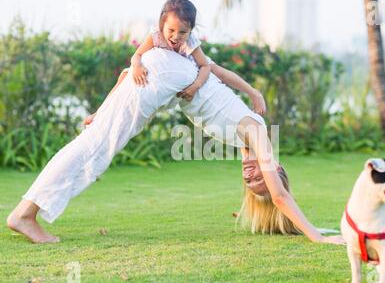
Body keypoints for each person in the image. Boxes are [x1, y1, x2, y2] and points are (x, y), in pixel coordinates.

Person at [6, 47, 344, 245]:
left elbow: (212, 71)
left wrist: (253, 91)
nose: (249, 173)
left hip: (167, 71)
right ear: (277, 170)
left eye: (248, 181)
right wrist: (318, 236)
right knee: (95, 149)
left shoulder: (247, 145)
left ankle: (27, 212)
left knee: (96, 140)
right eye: (262, 177)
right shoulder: (259, 136)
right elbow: (282, 197)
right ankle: (24, 215)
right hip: (167, 76)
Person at [84, 0, 265, 128]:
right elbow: (136, 55)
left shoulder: (191, 42)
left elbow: (204, 66)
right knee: (124, 75)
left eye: (183, 32)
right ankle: (99, 113)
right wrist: (137, 66)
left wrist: (195, 86)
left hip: (189, 67)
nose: (176, 36)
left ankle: (253, 93)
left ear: (190, 31)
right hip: (165, 71)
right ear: (162, 24)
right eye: (171, 30)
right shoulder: (155, 36)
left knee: (218, 70)